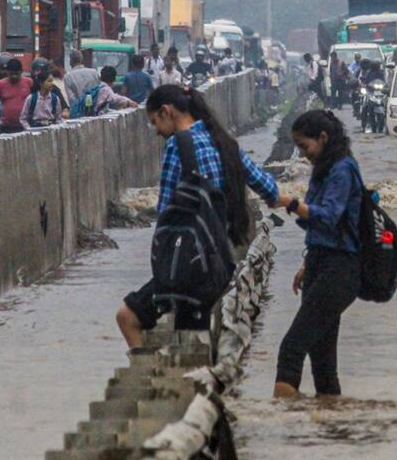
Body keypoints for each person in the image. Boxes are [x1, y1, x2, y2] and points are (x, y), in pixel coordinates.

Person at [116, 85, 280, 348]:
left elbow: (165, 214)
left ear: (166, 111)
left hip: (189, 267)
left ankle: (148, 381)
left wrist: (164, 271)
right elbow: (269, 189)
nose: (156, 130)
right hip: (220, 265)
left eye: (154, 122)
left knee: (127, 317)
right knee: (192, 340)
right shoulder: (224, 142)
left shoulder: (177, 146)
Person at [273, 111, 363, 398]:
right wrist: (305, 265)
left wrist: (291, 203)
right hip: (319, 263)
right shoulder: (322, 170)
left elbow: (329, 217)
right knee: (322, 363)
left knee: (292, 347)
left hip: (341, 270)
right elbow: (314, 224)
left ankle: (288, 427)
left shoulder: (343, 170)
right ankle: (329, 430)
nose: (302, 154)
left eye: (304, 146)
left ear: (323, 138)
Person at [0, 58, 33, 134]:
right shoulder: (0, 84)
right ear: (7, 72)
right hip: (7, 125)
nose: (14, 76)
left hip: (26, 124)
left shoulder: (29, 82)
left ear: (21, 72)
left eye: (16, 74)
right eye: (11, 74)